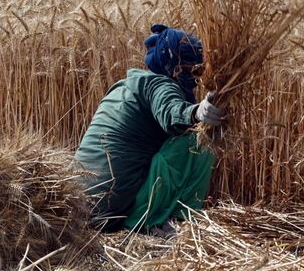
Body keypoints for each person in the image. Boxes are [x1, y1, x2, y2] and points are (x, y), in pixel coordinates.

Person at [75, 24, 224, 236]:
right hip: (111, 209)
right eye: (195, 71)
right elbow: (171, 113)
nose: (196, 79)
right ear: (177, 68)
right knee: (199, 141)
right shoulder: (162, 85)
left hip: (77, 204)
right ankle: (173, 219)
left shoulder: (122, 86)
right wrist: (196, 112)